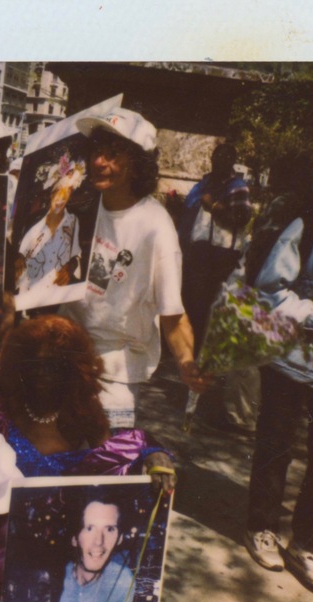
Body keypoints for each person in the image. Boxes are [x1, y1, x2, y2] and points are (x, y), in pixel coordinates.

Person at [0, 315, 175, 602]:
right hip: (9, 522)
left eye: (55, 366)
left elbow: (118, 450)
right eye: (35, 365)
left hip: (66, 523)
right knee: (7, 582)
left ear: (71, 369)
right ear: (20, 365)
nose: (44, 374)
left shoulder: (80, 411)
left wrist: (154, 454)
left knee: (98, 587)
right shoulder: (3, 404)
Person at [243, 152, 313, 590]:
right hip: (296, 356)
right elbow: (269, 291)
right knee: (277, 443)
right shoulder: (309, 228)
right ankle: (261, 528)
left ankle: (307, 543)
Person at [61, 107, 209, 429]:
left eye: (114, 155)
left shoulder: (156, 228)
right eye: (97, 151)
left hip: (115, 376)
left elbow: (173, 313)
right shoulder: (79, 202)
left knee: (104, 467)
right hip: (63, 357)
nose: (100, 162)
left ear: (137, 164)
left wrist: (186, 362)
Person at [177, 142, 253, 350]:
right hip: (197, 250)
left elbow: (241, 217)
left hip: (220, 254)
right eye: (216, 157)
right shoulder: (205, 184)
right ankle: (184, 345)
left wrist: (215, 206)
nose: (219, 161)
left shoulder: (237, 187)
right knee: (189, 298)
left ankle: (196, 349)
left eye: (225, 158)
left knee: (203, 303)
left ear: (232, 163)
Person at [37, 496, 134, 602]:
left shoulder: (121, 581)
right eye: (89, 528)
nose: (99, 542)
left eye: (109, 529)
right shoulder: (50, 575)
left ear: (120, 538)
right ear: (75, 539)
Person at [16, 150, 85, 295]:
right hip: (28, 291)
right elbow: (18, 253)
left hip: (56, 294)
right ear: (51, 193)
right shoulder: (33, 219)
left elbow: (77, 255)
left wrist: (71, 266)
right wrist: (18, 260)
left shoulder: (73, 221)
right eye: (58, 193)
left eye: (66, 195)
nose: (61, 200)